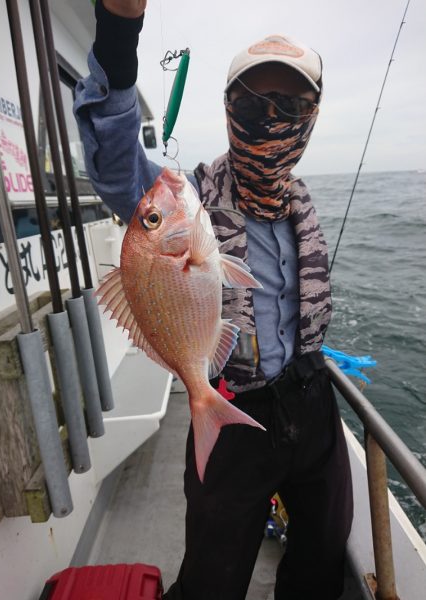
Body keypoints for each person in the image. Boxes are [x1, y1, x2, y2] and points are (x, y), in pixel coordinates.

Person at [74, 1, 354, 598]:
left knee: (325, 552)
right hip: (229, 407)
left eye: (292, 106)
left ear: (313, 117)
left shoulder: (300, 199)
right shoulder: (188, 198)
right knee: (211, 577)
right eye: (255, 103)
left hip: (311, 401)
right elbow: (117, 169)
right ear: (230, 110)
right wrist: (119, 31)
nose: (272, 119)